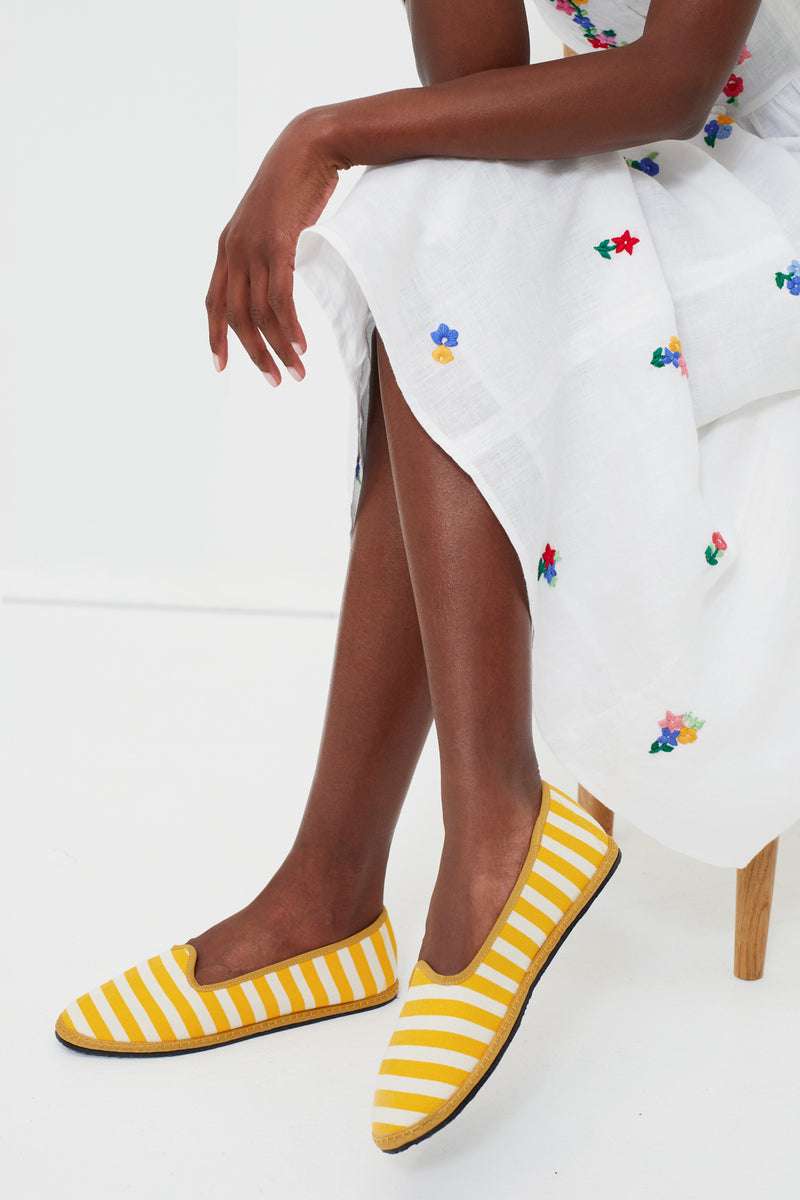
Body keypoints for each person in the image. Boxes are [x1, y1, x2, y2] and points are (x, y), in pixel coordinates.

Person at [55, 0, 800, 1154]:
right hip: (657, 173)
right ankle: (350, 885)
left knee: (429, 221)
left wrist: (320, 133)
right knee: (434, 215)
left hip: (766, 172)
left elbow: (671, 83)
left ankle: (427, 850)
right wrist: (350, 143)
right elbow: (467, 103)